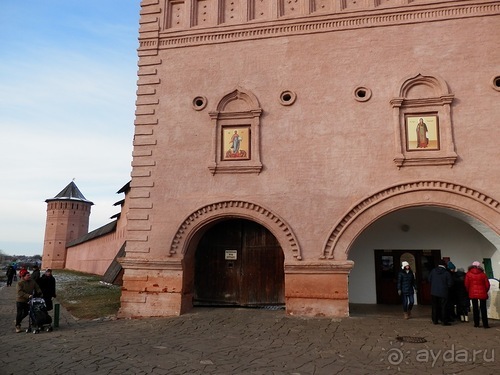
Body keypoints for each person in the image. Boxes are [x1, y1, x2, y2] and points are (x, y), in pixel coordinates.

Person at [465, 261, 490, 328]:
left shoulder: (468, 274)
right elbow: (487, 285)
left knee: (475, 308)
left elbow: (466, 284)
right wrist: (485, 291)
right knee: (483, 309)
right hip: (482, 293)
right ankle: (485, 324)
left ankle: (476, 324)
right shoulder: (483, 274)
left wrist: (469, 291)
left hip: (473, 293)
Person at [428, 259, 453, 325]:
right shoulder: (446, 272)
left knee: (435, 306)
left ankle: (435, 320)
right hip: (443, 292)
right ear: (444, 265)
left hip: (434, 292)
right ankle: (444, 321)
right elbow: (450, 283)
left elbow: (429, 279)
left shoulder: (433, 271)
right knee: (444, 306)